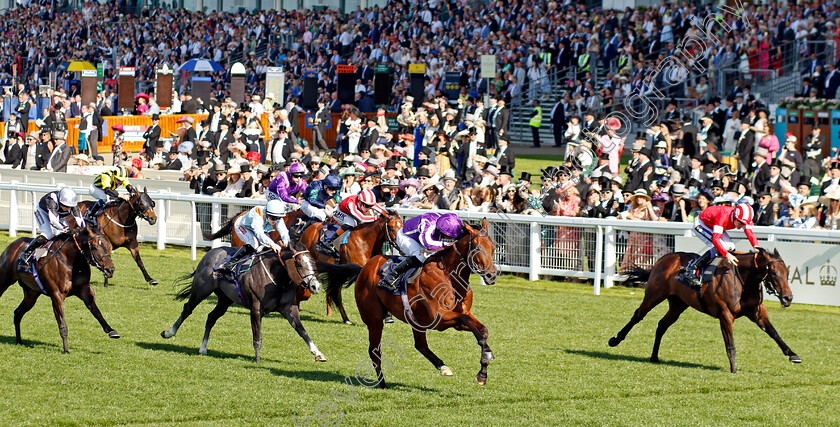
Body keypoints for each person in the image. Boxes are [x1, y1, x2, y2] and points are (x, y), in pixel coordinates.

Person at [379, 212, 465, 290]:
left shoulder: (447, 223)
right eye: (448, 236)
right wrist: (445, 244)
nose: (450, 238)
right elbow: (427, 243)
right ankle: (391, 276)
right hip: (405, 236)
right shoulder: (429, 225)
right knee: (421, 256)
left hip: (419, 236)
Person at [681, 203, 760, 286]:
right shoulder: (723, 216)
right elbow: (715, 240)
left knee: (731, 247)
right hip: (701, 224)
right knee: (718, 248)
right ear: (735, 217)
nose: (741, 226)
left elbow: (750, 234)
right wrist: (727, 254)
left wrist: (756, 246)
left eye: (744, 224)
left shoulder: (740, 218)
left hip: (713, 224)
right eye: (740, 223)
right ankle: (691, 270)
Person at [214, 200, 290, 278]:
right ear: (267, 213)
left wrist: (286, 242)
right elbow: (259, 233)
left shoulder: (276, 216)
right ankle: (230, 263)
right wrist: (272, 243)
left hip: (259, 229)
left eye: (278, 218)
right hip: (242, 226)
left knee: (267, 247)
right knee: (254, 244)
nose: (275, 221)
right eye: (273, 218)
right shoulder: (258, 214)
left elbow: (283, 230)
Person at [20, 188, 86, 269]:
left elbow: (79, 218)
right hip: (42, 212)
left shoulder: (72, 204)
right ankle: (27, 252)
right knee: (48, 235)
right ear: (60, 200)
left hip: (58, 214)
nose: (67, 208)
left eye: (69, 207)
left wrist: (83, 229)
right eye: (64, 206)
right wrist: (66, 229)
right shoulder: (51, 199)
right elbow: (54, 221)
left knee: (66, 236)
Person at [320, 189, 386, 258]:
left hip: (351, 212)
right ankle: (330, 240)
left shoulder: (366, 202)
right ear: (360, 202)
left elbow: (381, 210)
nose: (369, 208)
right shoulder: (351, 203)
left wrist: (388, 215)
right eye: (367, 206)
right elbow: (362, 218)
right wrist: (377, 217)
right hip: (340, 211)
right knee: (352, 223)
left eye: (370, 206)